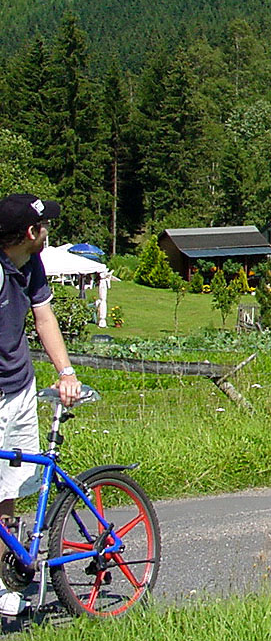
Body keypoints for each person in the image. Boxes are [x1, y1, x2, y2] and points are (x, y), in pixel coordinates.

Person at [0, 193, 81, 616]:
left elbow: (44, 318)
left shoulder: (31, 264)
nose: (48, 231)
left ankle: (4, 582)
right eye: (45, 225)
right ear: (31, 232)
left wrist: (66, 372)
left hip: (18, 391)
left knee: (7, 492)